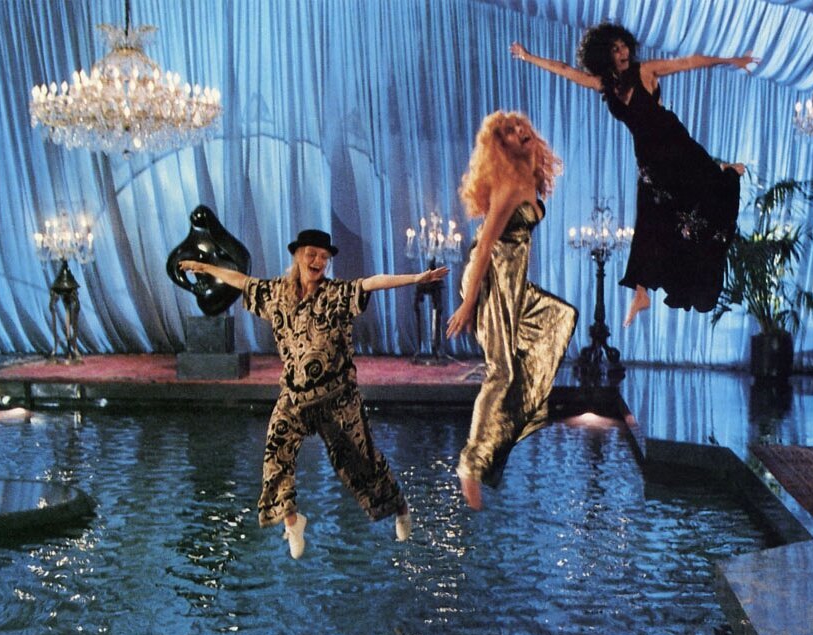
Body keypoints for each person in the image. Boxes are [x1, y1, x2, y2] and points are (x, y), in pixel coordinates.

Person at [180, 230, 447, 559]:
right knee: (276, 452)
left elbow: (371, 283)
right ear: (297, 256)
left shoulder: (336, 294)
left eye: (324, 257)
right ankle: (292, 522)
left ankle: (400, 507)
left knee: (361, 463)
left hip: (338, 398)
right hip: (294, 395)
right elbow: (242, 281)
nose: (318, 261)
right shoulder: (277, 293)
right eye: (312, 254)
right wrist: (206, 269)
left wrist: (416, 278)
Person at [511, 23, 758, 326]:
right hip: (649, 159)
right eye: (615, 49)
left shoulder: (646, 71)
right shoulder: (604, 84)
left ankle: (724, 171)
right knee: (650, 220)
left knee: (702, 192)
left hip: (674, 144)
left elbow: (689, 62)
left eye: (624, 46)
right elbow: (565, 70)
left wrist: (732, 61)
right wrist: (528, 57)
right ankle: (641, 293)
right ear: (605, 55)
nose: (623, 52)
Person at [445, 111, 577, 510]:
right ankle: (471, 466)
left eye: (521, 126)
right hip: (491, 278)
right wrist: (468, 303)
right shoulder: (507, 186)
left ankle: (505, 430)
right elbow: (485, 246)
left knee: (559, 317)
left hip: (513, 281)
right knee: (501, 371)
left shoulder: (528, 177)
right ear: (500, 145)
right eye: (509, 131)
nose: (520, 132)